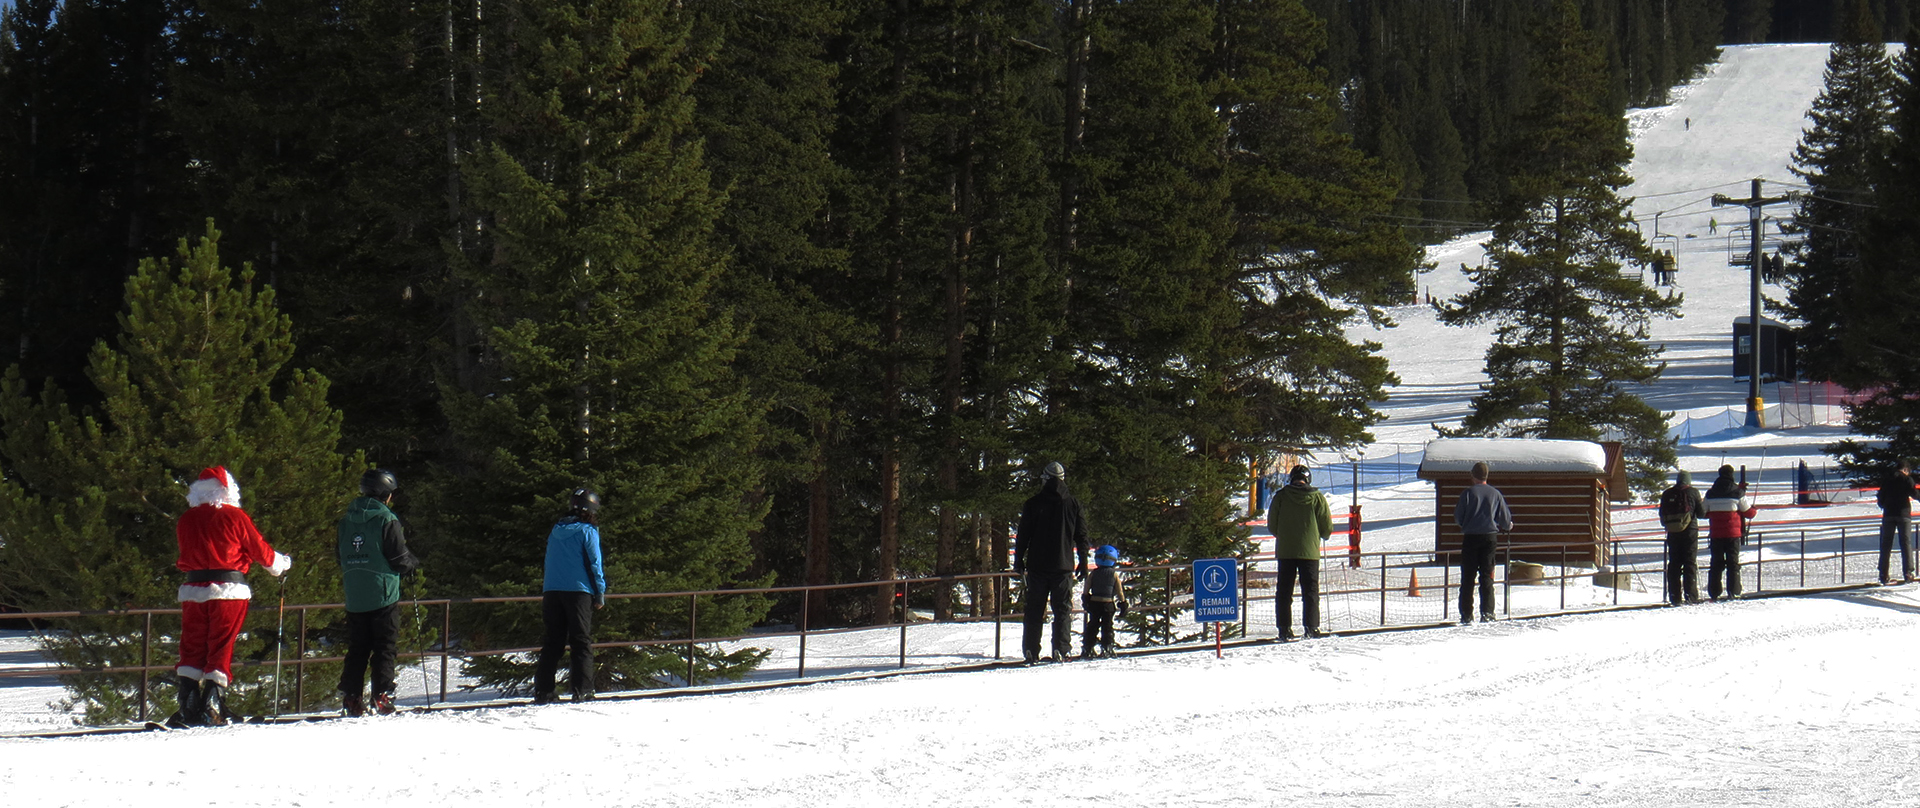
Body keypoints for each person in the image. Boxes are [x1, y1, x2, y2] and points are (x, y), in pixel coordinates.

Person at [170, 466, 292, 727]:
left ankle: (188, 703)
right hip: (228, 590)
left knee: (192, 644)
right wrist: (281, 564)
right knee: (220, 644)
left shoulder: (186, 519)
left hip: (193, 590)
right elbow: (262, 552)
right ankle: (213, 704)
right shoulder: (235, 516)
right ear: (227, 490)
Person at [335, 468, 420, 717]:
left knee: (357, 647)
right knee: (384, 646)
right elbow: (398, 556)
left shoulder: (346, 520)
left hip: (355, 594)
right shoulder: (386, 519)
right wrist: (412, 563)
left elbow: (340, 556)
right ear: (386, 494)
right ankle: (382, 695)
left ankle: (351, 698)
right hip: (383, 593)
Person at [534, 487, 607, 704]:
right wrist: (599, 592)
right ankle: (583, 689)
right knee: (581, 641)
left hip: (552, 591)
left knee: (553, 642)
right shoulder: (587, 531)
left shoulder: (556, 529)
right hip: (578, 592)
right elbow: (595, 563)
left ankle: (543, 690)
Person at [1013, 461, 1090, 664]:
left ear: (1045, 479)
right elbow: (1081, 536)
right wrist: (1083, 562)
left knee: (1034, 610)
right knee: (1062, 610)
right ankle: (1061, 649)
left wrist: (1018, 561)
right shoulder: (1073, 504)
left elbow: (1023, 536)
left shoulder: (1033, 503)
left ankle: (1030, 650)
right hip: (1063, 567)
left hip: (1037, 567)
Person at [1268, 465, 1333, 640]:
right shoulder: (1317, 498)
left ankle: (1284, 629)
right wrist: (1322, 535)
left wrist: (1283, 535)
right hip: (1310, 552)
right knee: (1311, 591)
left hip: (1286, 551)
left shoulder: (1281, 497)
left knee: (1284, 592)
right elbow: (1326, 526)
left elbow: (1272, 525)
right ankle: (1311, 628)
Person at [1454, 461, 1513, 625]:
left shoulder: (1467, 494)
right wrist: (1508, 526)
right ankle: (1487, 612)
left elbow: (1458, 517)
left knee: (1468, 577)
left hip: (1471, 537)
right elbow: (1506, 520)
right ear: (1487, 476)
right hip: (1489, 538)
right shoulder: (1495, 494)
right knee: (1487, 576)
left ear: (1473, 476)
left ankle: (1466, 614)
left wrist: (1466, 524)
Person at [1703, 465, 1756, 601]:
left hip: (1716, 534)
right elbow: (1748, 513)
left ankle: (1714, 592)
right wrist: (1754, 509)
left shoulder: (1711, 493)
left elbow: (1702, 512)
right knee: (1733, 563)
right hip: (1733, 534)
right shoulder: (1737, 492)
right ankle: (1734, 591)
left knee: (1716, 563)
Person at [1658, 470, 1706, 606]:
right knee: (1689, 562)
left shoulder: (1667, 493)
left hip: (1672, 532)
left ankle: (1675, 597)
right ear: (1688, 481)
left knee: (1674, 564)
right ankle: (1691, 596)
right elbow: (1701, 513)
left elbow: (1662, 513)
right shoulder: (1693, 492)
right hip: (1689, 531)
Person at [1078, 545, 1127, 660]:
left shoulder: (1094, 573)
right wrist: (1123, 602)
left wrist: (1086, 598)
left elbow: (1086, 588)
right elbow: (1119, 590)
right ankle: (1107, 646)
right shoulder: (1113, 574)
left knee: (1092, 625)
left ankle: (1088, 647)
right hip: (1108, 603)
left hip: (1095, 603)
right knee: (1107, 626)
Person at [1876, 459, 1918, 585]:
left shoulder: (1887, 479)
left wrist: (1885, 505)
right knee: (1906, 544)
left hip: (1888, 514)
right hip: (1903, 514)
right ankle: (1908, 573)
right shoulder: (1906, 479)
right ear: (1905, 470)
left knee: (1886, 545)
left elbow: (1880, 497)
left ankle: (1883, 574)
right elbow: (1914, 493)